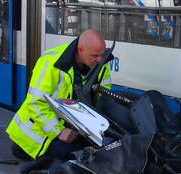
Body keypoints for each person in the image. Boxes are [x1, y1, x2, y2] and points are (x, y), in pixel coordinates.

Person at [7, 29, 112, 161]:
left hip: (72, 129)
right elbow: (35, 103)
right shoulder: (50, 62)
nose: (99, 60)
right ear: (80, 50)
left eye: (101, 55)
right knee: (76, 157)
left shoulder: (100, 64)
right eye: (95, 56)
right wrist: (58, 131)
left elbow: (104, 100)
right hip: (36, 137)